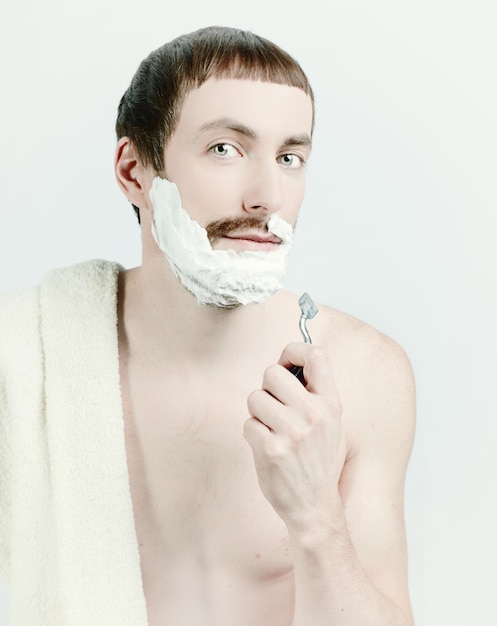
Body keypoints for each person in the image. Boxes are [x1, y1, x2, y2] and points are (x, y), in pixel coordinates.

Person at [0, 25, 416, 626]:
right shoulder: (23, 359)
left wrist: (315, 517)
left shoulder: (365, 373)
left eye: (289, 158)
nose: (266, 196)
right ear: (134, 170)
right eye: (226, 148)